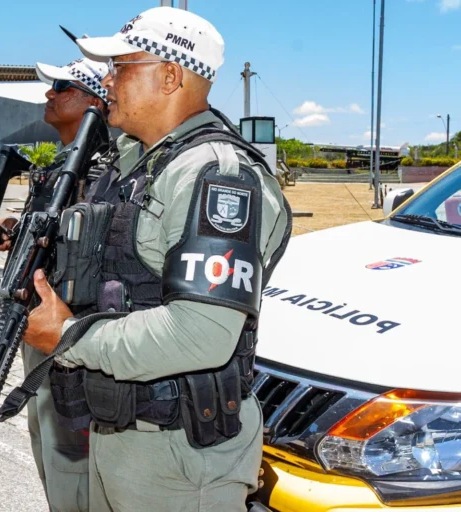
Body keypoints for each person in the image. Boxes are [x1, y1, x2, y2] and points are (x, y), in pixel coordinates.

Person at [21, 7, 291, 512]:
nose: (107, 80)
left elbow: (200, 335)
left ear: (171, 75)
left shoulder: (214, 174)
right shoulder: (140, 163)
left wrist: (68, 337)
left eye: (121, 67)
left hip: (178, 456)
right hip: (123, 427)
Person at [0, 58, 110, 512]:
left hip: (78, 342)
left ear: (93, 100)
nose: (49, 95)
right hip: (37, 334)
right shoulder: (54, 172)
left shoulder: (111, 174)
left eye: (62, 87)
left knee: (76, 465)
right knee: (48, 450)